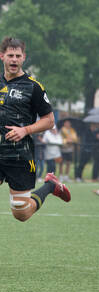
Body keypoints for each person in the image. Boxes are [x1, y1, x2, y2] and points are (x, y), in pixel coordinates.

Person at [0, 36, 70, 223]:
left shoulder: (33, 87)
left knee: (21, 213)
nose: (14, 59)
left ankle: (50, 186)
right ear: (2, 56)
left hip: (19, 154)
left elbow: (49, 121)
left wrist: (25, 130)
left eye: (17, 55)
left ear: (24, 58)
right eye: (10, 55)